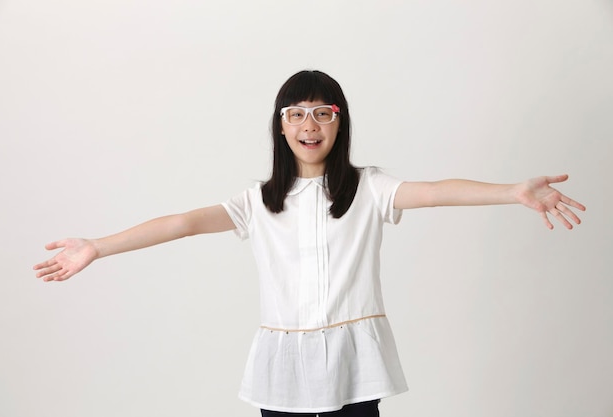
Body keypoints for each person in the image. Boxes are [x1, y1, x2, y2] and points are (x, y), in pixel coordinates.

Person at [34, 70, 586, 416]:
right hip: (285, 368)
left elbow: (439, 192)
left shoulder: (368, 188)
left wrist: (512, 191)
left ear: (338, 123)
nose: (310, 123)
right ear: (280, 127)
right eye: (296, 113)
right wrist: (98, 247)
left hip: (354, 362)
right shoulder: (258, 201)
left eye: (323, 112)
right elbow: (179, 223)